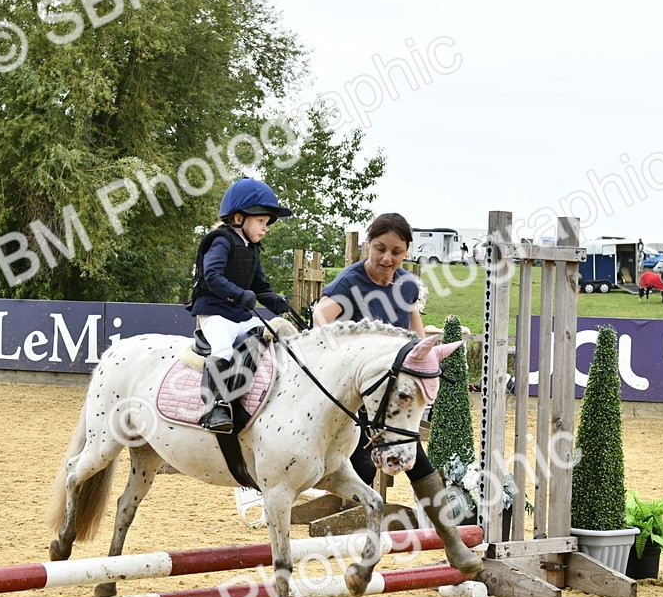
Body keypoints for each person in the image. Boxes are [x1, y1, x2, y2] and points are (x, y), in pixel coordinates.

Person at [312, 212, 478, 537]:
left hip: (389, 395)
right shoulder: (350, 282)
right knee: (360, 462)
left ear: (406, 252)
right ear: (368, 247)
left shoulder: (407, 285)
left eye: (396, 252)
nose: (387, 258)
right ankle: (360, 532)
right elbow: (320, 316)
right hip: (355, 397)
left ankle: (450, 538)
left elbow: (415, 339)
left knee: (416, 457)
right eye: (380, 249)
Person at [188, 178, 294, 433]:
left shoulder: (253, 248)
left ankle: (243, 395)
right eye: (261, 221)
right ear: (238, 218)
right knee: (223, 348)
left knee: (268, 335)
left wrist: (276, 302)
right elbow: (212, 277)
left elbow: (260, 286)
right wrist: (239, 295)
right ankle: (213, 409)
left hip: (239, 315)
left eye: (267, 223)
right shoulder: (220, 241)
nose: (265, 228)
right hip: (214, 314)